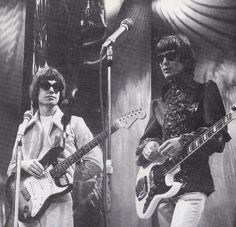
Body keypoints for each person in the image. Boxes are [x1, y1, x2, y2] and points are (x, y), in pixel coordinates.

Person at [136, 34, 231, 227]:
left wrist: (183, 141)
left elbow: (219, 137)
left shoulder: (205, 91)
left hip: (192, 184)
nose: (164, 62)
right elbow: (146, 140)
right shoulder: (160, 103)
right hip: (162, 188)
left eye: (171, 56)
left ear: (186, 59)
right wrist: (149, 146)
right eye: (160, 58)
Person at [7, 66, 103, 227]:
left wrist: (62, 179)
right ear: (36, 90)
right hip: (27, 205)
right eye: (45, 85)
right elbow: (11, 169)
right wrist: (23, 164)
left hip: (58, 203)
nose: (51, 89)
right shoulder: (25, 127)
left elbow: (96, 163)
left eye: (56, 86)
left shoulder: (74, 123)